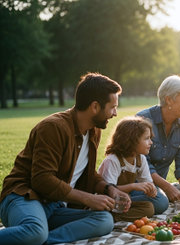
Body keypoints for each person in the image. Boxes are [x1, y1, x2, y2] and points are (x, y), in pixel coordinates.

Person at [0, 73, 127, 244]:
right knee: (34, 232)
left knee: (104, 220)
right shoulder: (53, 128)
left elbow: (86, 173)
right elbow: (41, 180)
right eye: (112, 107)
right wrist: (88, 198)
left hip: (55, 206)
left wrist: (109, 189)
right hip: (24, 197)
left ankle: (44, 240)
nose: (115, 113)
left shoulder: (93, 130)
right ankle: (36, 237)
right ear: (95, 106)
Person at [136, 75, 180, 213]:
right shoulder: (142, 120)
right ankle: (118, 199)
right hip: (136, 184)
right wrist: (167, 187)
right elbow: (142, 164)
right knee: (162, 202)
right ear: (169, 100)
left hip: (158, 186)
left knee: (176, 195)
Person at [98, 116, 158, 222]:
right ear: (131, 140)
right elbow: (108, 190)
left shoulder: (141, 159)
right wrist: (133, 186)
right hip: (107, 200)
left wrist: (150, 189)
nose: (151, 142)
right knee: (152, 207)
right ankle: (110, 216)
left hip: (125, 200)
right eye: (146, 138)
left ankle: (116, 215)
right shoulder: (113, 160)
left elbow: (148, 182)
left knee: (151, 206)